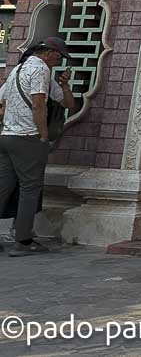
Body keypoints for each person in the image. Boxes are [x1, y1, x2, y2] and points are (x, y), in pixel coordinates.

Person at [0, 37, 76, 255]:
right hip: (28, 137)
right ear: (48, 52)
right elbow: (38, 104)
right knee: (30, 189)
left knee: (3, 187)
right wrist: (43, 135)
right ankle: (23, 241)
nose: (58, 61)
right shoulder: (40, 69)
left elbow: (67, 103)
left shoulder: (17, 70)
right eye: (59, 57)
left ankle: (19, 236)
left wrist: (64, 85)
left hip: (7, 136)